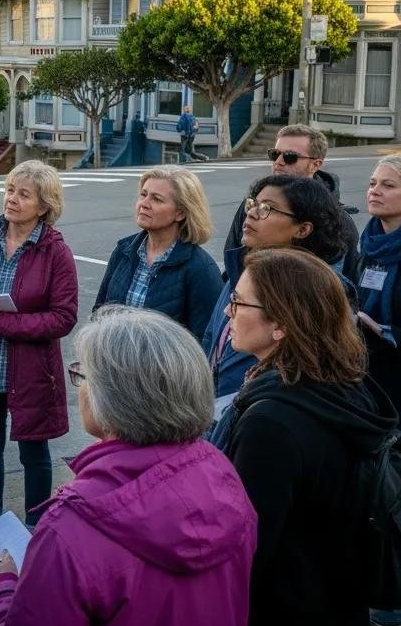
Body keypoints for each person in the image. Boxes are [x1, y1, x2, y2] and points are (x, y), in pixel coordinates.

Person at [0, 307, 257, 626]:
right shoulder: (220, 471)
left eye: (83, 376)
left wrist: (4, 587)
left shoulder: (71, 528)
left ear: (113, 400)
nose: (80, 387)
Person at [212, 248, 397, 626]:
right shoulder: (340, 385)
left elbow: (249, 550)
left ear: (281, 324)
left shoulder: (271, 422)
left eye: (239, 303)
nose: (227, 313)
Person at [0, 160, 78, 533]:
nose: (12, 200)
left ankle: (36, 530)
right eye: (9, 190)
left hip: (31, 373)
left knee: (34, 455)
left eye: (24, 194)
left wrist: (3, 322)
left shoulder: (55, 252)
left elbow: (63, 317)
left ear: (44, 205)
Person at [203, 175, 348, 413]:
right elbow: (211, 339)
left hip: (265, 411)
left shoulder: (318, 291)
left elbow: (318, 369)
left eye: (267, 209)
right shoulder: (240, 271)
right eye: (252, 204)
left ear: (302, 229)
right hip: (218, 411)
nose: (251, 213)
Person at [94, 165, 222, 342]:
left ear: (180, 213)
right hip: (111, 366)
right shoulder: (124, 251)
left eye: (156, 199)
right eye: (143, 194)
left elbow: (206, 340)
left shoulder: (200, 269)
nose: (144, 204)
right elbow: (99, 313)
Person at [356, 154, 401, 626]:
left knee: (394, 490)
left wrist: (386, 330)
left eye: (387, 185)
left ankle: (394, 591)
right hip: (365, 377)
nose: (375, 191)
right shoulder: (368, 242)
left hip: (395, 377)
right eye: (372, 183)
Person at [224, 124, 359, 280]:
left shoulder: (339, 221)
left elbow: (345, 283)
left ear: (315, 164)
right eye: (275, 154)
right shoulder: (252, 205)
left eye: (290, 157)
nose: (279, 162)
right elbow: (232, 259)